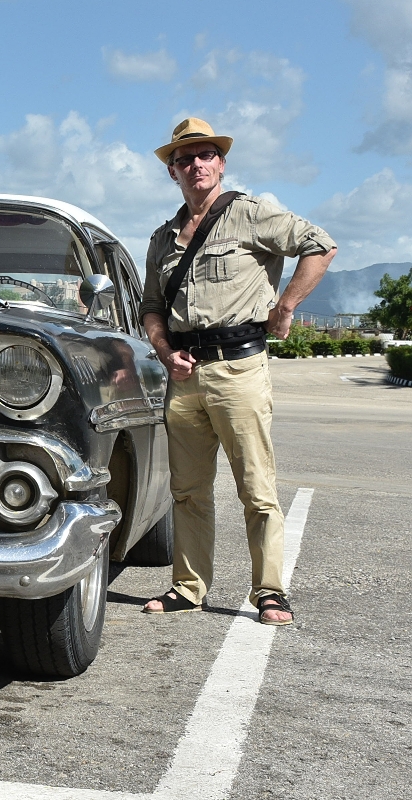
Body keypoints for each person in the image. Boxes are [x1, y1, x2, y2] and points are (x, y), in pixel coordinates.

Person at [139, 118, 336, 625]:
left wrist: (287, 305)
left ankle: (269, 591)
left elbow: (320, 245)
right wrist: (163, 351)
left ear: (221, 163)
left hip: (238, 370)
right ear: (172, 172)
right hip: (184, 377)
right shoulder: (162, 239)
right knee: (186, 490)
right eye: (184, 160)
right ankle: (188, 587)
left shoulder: (250, 215)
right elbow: (152, 309)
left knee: (256, 489)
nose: (195, 165)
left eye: (205, 155)